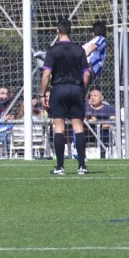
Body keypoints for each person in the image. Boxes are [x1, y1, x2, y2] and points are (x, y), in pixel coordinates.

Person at [40, 18, 91, 175]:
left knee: (59, 127)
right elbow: (87, 74)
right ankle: (82, 166)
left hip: (58, 90)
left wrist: (42, 93)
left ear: (57, 31)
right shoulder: (79, 50)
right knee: (78, 126)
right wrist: (84, 91)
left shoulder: (52, 50)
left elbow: (46, 74)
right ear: (71, 31)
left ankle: (60, 167)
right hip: (76, 89)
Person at [85, 88, 116, 159]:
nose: (92, 97)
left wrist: (97, 124)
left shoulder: (109, 109)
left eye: (95, 95)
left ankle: (102, 157)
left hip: (103, 133)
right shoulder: (86, 108)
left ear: (102, 98)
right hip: (88, 133)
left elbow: (112, 123)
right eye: (91, 96)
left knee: (103, 135)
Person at [82, 20, 107, 87]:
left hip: (90, 67)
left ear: (93, 33)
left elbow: (93, 47)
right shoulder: (89, 42)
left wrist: (83, 56)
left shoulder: (101, 39)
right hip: (82, 67)